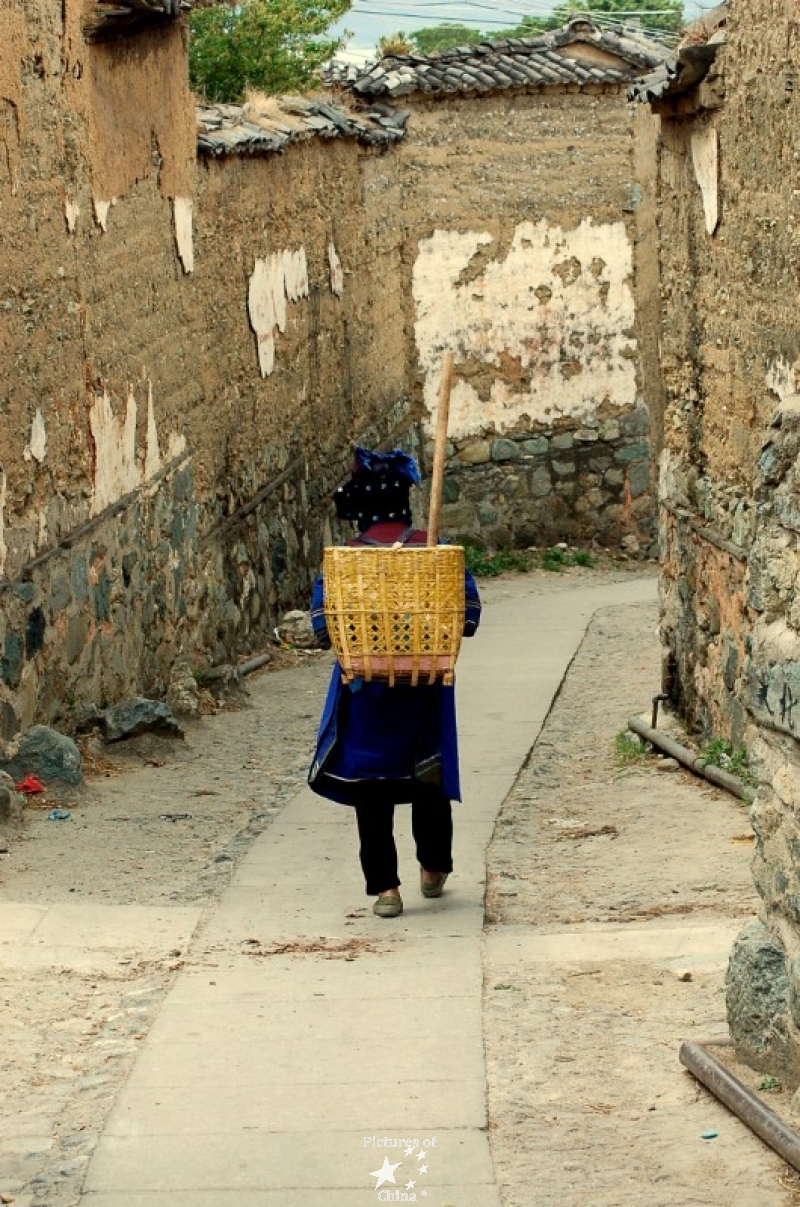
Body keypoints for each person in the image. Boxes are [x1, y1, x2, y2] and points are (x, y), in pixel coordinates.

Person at [308, 446, 481, 918]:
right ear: (405, 500)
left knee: (372, 790)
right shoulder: (434, 551)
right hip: (423, 690)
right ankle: (433, 868)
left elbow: (323, 628)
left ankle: (386, 889)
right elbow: (468, 617)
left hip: (366, 696)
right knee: (427, 775)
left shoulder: (343, 561)